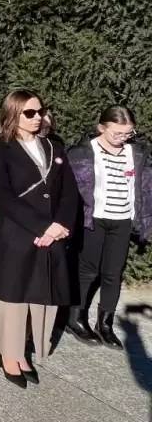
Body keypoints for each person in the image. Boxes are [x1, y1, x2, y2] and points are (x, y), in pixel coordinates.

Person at [0, 90, 79, 388]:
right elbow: (4, 196)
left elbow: (69, 192)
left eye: (40, 111)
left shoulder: (54, 146)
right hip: (18, 234)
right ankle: (9, 354)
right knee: (15, 298)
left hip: (52, 236)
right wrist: (43, 226)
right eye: (29, 112)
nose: (37, 117)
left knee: (40, 296)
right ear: (13, 114)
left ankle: (23, 350)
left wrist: (60, 226)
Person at [66, 105, 152, 349]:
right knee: (88, 271)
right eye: (117, 133)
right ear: (101, 128)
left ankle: (105, 324)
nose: (122, 138)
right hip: (94, 219)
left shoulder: (135, 153)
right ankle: (76, 318)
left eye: (128, 133)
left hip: (122, 220)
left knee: (113, 273)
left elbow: (144, 187)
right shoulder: (84, 152)